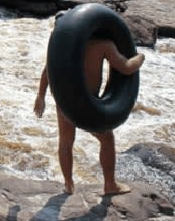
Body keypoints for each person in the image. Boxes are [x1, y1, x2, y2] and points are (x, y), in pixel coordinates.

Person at [34, 15, 145, 196]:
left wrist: (41, 96)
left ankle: (68, 185)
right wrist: (140, 57)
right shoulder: (103, 45)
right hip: (87, 104)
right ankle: (110, 184)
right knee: (107, 139)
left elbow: (48, 71)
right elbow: (125, 67)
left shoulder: (61, 47)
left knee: (66, 141)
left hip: (64, 100)